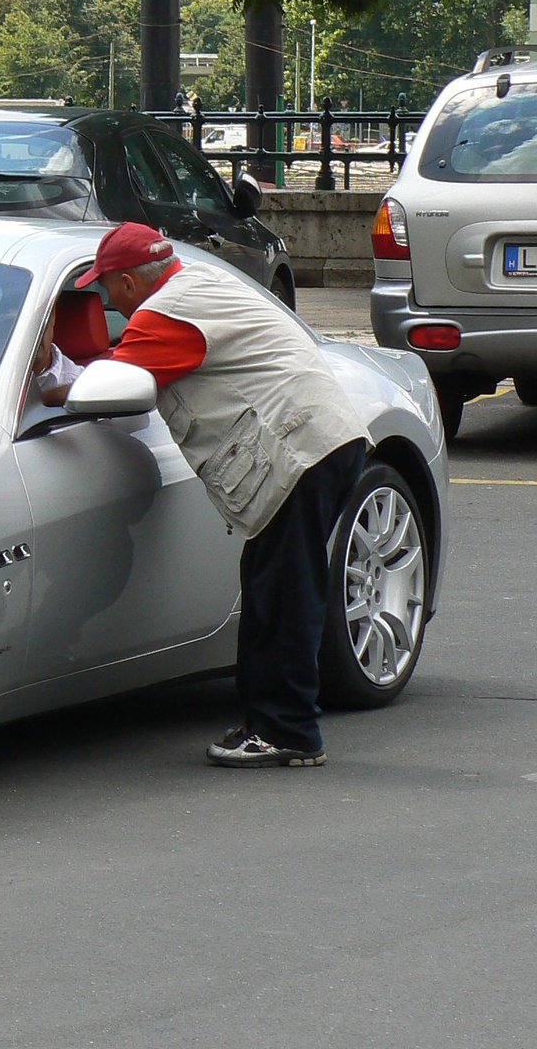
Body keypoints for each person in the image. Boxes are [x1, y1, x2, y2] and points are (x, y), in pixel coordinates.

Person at [41, 222, 370, 767]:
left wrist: (45, 377)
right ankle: (273, 722)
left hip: (298, 451)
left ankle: (287, 731)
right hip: (320, 441)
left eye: (106, 286)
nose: (105, 298)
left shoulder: (167, 315)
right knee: (274, 586)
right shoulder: (198, 285)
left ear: (126, 282)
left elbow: (99, 383)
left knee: (283, 594)